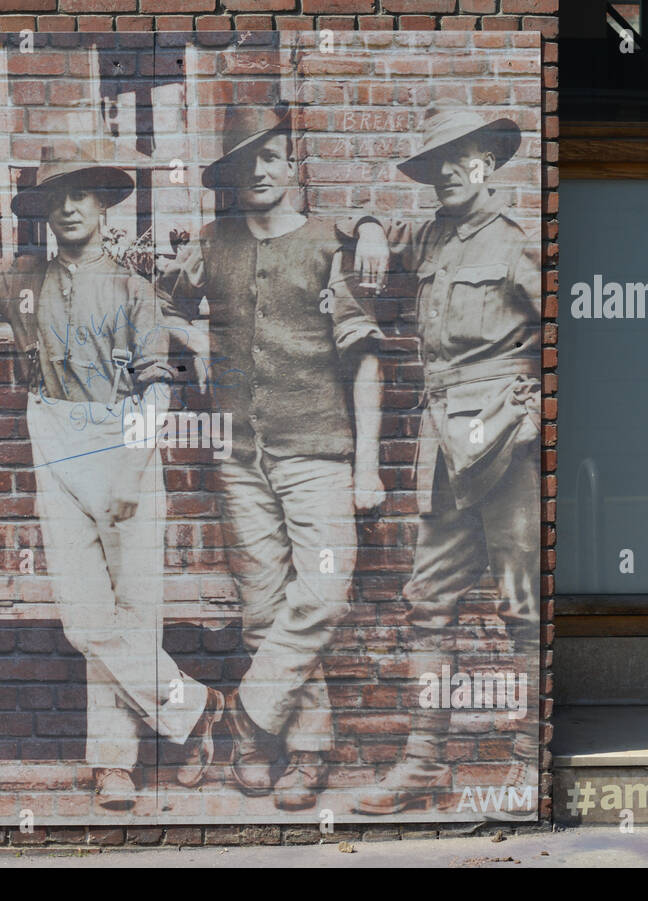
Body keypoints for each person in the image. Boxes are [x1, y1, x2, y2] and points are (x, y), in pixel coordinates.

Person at [0, 141, 225, 812]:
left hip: (126, 439)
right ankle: (196, 708)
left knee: (134, 609)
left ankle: (115, 764)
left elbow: (158, 389)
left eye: (84, 194)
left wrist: (136, 470)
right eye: (58, 196)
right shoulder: (23, 277)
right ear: (45, 210)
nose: (72, 207)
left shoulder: (137, 290)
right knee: (85, 616)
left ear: (105, 205)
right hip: (55, 435)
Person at [158, 103, 390, 810]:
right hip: (238, 457)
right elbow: (163, 305)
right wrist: (192, 339)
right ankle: (299, 751)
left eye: (272, 157)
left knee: (321, 593)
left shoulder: (328, 244)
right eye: (244, 161)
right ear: (228, 176)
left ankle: (246, 715)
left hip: (317, 452)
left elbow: (367, 358)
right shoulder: (212, 241)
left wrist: (368, 466)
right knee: (264, 611)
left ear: (290, 168)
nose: (259, 171)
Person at [340, 104, 542, 816]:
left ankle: (532, 767)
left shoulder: (519, 244)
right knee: (428, 605)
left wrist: (536, 413)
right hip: (444, 447)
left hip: (510, 446)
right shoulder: (426, 237)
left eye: (465, 156)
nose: (451, 171)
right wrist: (367, 224)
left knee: (524, 608)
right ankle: (422, 764)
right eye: (437, 163)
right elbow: (357, 228)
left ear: (490, 162)